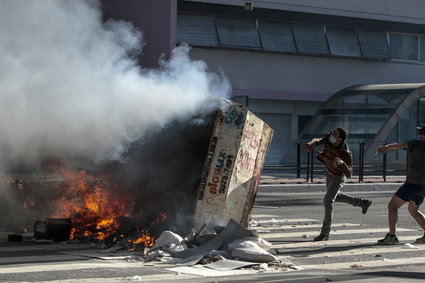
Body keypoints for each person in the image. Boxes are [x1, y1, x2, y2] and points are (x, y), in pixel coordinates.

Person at [305, 127, 372, 241]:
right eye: (332, 132)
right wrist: (311, 144)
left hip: (338, 178)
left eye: (334, 134)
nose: (331, 134)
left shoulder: (346, 154)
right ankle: (362, 203)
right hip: (329, 175)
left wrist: (343, 164)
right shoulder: (328, 139)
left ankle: (325, 233)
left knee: (328, 201)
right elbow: (317, 140)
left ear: (340, 139)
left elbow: (349, 173)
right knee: (336, 197)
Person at [376, 126, 425, 245]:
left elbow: (400, 145)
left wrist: (387, 147)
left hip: (412, 183)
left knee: (392, 206)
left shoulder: (416, 144)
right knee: (413, 210)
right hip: (423, 186)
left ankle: (392, 236)